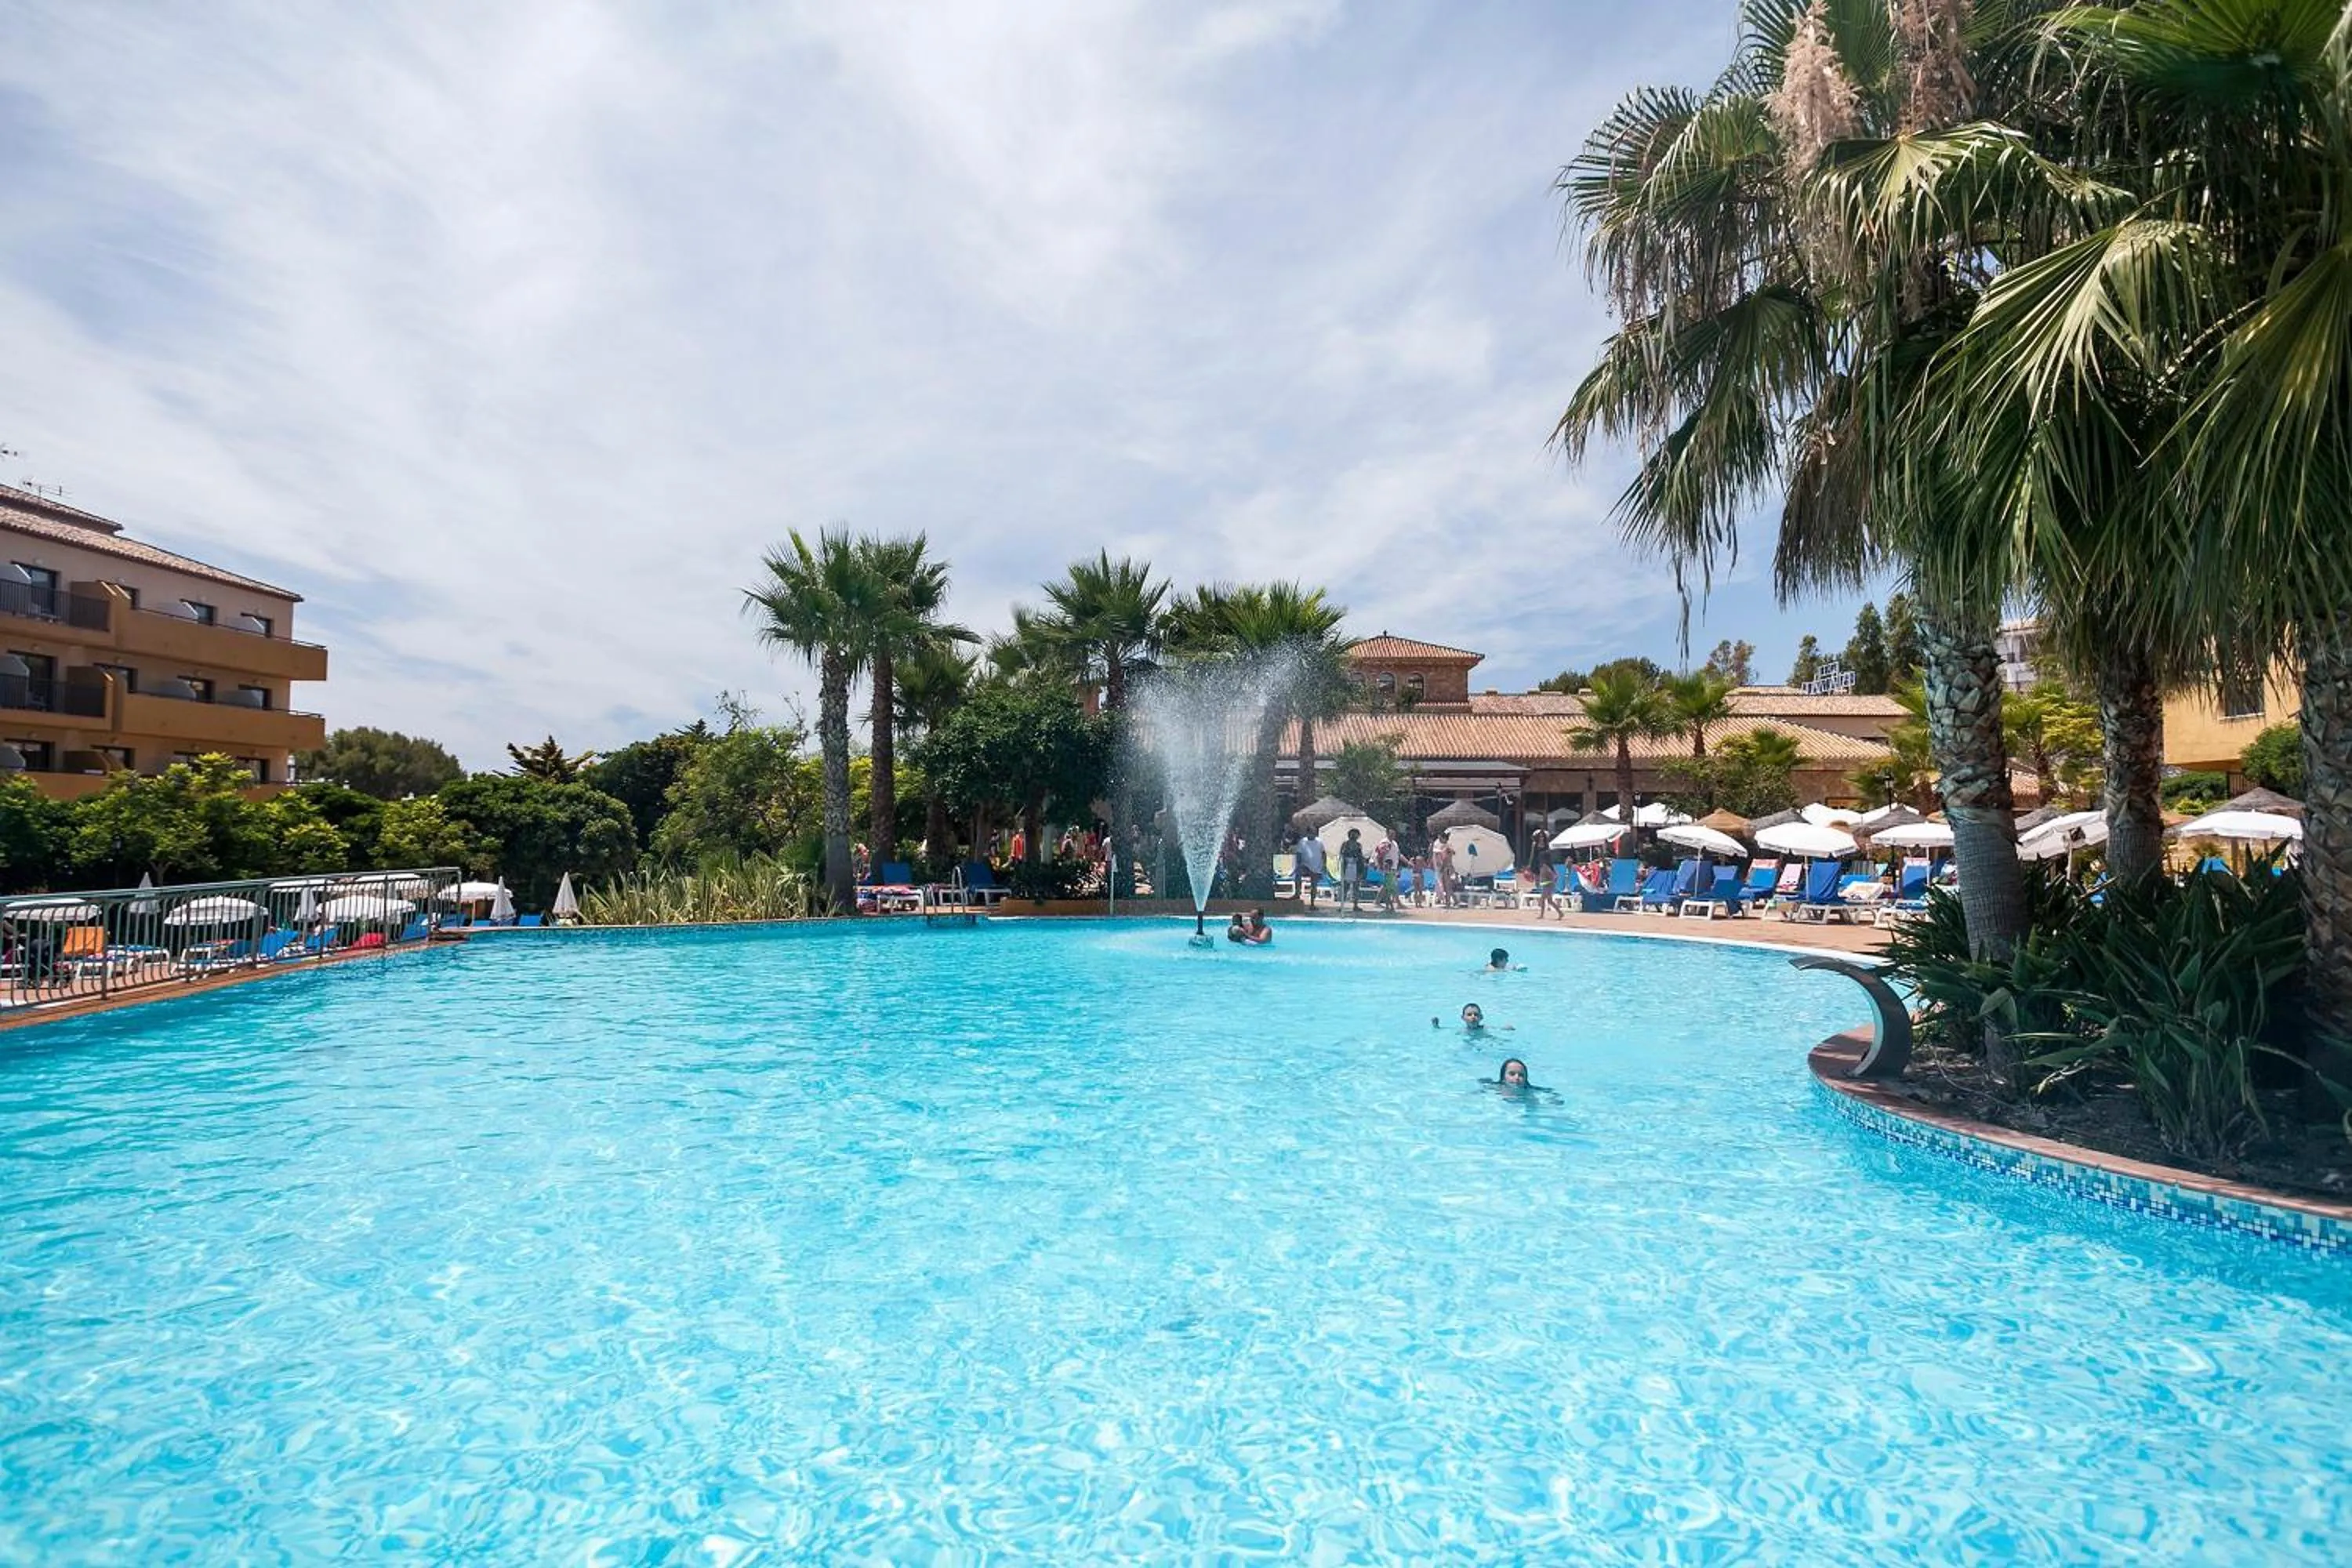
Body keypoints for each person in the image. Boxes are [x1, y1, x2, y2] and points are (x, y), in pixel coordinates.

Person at [1295, 829, 1328, 910]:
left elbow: (1323, 853)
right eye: (1310, 833)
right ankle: (1297, 893)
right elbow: (1299, 854)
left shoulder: (1319, 842)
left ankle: (1312, 904)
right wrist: (1299, 864)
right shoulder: (1302, 842)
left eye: (1313, 833)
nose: (1311, 835)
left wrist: (1324, 865)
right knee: (1298, 874)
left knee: (1314, 885)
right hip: (1306, 865)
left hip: (1316, 867)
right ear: (1307, 833)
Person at [1338, 828, 1367, 912]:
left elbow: (1360, 857)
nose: (1354, 836)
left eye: (1356, 834)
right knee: (1345, 887)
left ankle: (1355, 905)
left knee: (1356, 887)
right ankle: (1342, 905)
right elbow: (1341, 855)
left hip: (1356, 867)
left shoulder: (1359, 845)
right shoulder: (1345, 844)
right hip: (1347, 866)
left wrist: (1362, 867)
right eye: (1352, 834)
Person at [1374, 837, 1400, 912]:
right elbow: (1379, 854)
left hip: (1390, 885)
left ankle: (1390, 907)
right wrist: (1379, 864)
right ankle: (1390, 906)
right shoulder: (1384, 842)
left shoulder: (1395, 843)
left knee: (1388, 897)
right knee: (1388, 896)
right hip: (1389, 885)